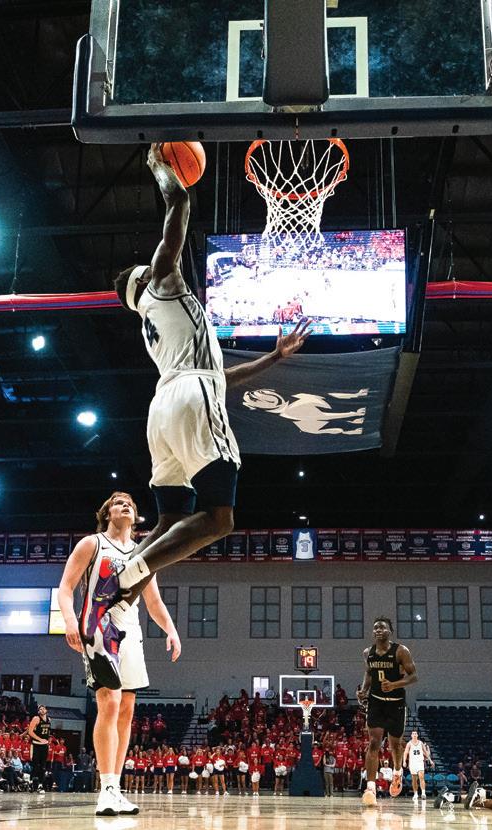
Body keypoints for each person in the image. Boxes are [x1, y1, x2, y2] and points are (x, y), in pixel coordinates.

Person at [89, 143, 310, 679]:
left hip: (166, 406)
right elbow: (178, 211)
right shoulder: (162, 284)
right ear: (145, 280)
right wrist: (164, 173)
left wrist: (273, 358)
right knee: (219, 518)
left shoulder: (153, 326)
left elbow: (218, 378)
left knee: (170, 521)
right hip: (189, 398)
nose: (154, 263)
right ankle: (127, 573)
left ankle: (115, 604)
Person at [57, 490, 181, 816]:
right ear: (107, 513)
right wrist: (69, 621)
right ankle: (106, 788)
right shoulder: (92, 544)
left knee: (127, 709)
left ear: (135, 516)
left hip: (131, 630)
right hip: (98, 624)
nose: (124, 505)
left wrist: (171, 629)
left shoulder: (143, 553)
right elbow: (66, 587)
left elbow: (153, 601)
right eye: (117, 503)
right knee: (109, 701)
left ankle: (116, 787)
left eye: (129, 503)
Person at [357, 616, 418, 807]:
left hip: (396, 703)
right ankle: (370, 788)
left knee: (396, 745)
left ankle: (397, 772)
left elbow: (413, 676)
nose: (378, 630)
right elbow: (369, 673)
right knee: (374, 743)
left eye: (382, 627)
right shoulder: (368, 653)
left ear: (390, 631)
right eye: (375, 627)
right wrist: (364, 690)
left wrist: (394, 685)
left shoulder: (401, 651)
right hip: (376, 702)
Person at [403, 730, 434, 800]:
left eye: (415, 734)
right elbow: (405, 753)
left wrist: (430, 760)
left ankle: (423, 793)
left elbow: (425, 752)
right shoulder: (409, 743)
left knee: (421, 777)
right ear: (411, 735)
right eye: (413, 734)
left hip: (420, 762)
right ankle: (415, 794)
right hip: (412, 763)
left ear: (417, 735)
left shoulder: (420, 743)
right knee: (414, 779)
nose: (414, 735)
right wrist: (404, 761)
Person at [28, 704, 51, 794]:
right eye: (40, 709)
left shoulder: (49, 719)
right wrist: (40, 739)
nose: (42, 710)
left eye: (43, 708)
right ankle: (31, 783)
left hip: (44, 746)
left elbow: (47, 732)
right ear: (38, 711)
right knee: (35, 766)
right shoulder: (36, 718)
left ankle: (40, 786)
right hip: (36, 745)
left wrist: (47, 740)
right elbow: (30, 732)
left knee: (43, 767)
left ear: (46, 710)